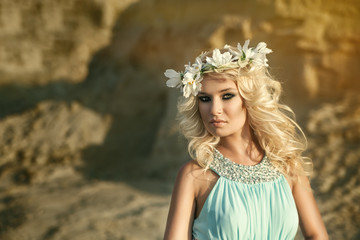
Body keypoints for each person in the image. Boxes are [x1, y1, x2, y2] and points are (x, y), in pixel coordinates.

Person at [163, 40, 328, 240]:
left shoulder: (288, 167)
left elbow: (316, 235)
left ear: (249, 98)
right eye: (204, 98)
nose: (214, 110)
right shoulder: (194, 175)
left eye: (227, 96)